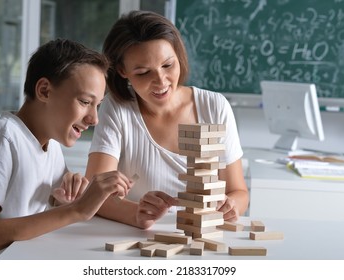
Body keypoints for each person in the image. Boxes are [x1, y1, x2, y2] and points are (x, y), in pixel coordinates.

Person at [0, 39, 133, 260]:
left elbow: (52, 198)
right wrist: (76, 210)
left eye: (97, 105)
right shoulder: (2, 139)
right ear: (44, 90)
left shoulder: (50, 145)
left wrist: (65, 196)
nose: (94, 119)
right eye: (84, 102)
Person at [86, 10, 249, 230]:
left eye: (168, 65)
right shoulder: (116, 108)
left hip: (203, 238)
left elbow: (238, 192)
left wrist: (231, 206)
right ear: (123, 70)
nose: (161, 81)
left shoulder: (215, 106)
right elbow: (93, 195)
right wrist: (137, 214)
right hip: (140, 240)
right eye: (143, 72)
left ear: (178, 56)